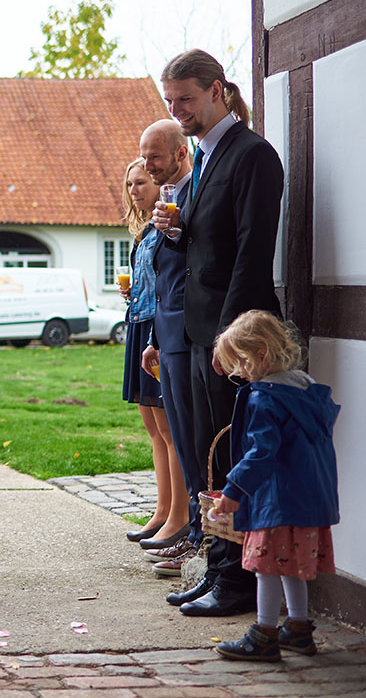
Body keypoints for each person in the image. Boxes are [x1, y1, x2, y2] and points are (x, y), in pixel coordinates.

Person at [153, 49, 283, 617]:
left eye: (184, 98)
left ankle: (238, 586)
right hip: (206, 332)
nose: (177, 110)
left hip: (235, 340)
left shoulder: (253, 155)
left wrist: (228, 342)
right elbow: (212, 248)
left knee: (232, 459)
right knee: (213, 463)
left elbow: (253, 255)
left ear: (218, 91)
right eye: (170, 101)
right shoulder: (206, 157)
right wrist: (179, 231)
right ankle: (218, 570)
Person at [210, 310, 339, 661]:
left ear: (262, 355)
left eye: (241, 362)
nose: (238, 372)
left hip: (277, 502)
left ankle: (264, 634)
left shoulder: (265, 397)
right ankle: (298, 629)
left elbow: (261, 453)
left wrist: (234, 491)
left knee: (265, 567)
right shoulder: (307, 389)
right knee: (290, 566)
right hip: (311, 500)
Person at [138, 121, 206, 588]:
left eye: (155, 156)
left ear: (181, 154)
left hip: (193, 332)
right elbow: (167, 276)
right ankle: (191, 530)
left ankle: (197, 535)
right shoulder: (170, 198)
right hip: (169, 335)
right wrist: (157, 340)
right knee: (182, 436)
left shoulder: (194, 192)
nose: (147, 164)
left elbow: (195, 266)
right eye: (144, 156)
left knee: (195, 440)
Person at [118, 159, 190, 559]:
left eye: (140, 182)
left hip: (156, 327)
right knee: (152, 424)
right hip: (140, 323)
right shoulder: (143, 232)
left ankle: (178, 515)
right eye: (129, 184)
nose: (134, 190)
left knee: (169, 427)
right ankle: (163, 509)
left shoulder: (164, 225)